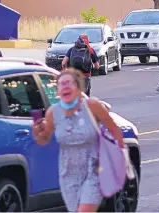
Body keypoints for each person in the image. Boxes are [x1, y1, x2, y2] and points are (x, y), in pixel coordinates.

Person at [31, 69, 124, 212]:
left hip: (93, 169)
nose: (66, 87)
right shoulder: (52, 113)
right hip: (68, 173)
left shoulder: (92, 106)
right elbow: (44, 140)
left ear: (78, 88)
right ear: (57, 91)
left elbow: (114, 129)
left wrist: (118, 156)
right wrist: (37, 133)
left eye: (70, 83)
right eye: (62, 84)